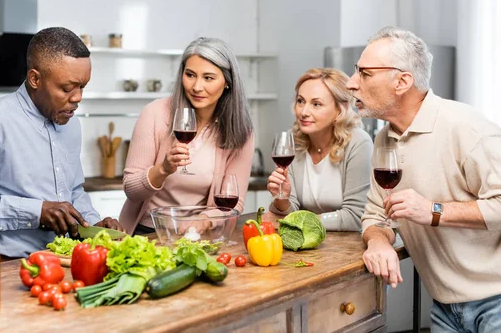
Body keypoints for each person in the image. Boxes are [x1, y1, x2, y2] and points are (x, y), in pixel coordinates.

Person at [348, 26, 501, 332]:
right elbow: (376, 214)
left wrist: (433, 210)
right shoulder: (384, 139)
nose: (352, 84)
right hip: (444, 308)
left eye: (364, 73)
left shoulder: (465, 127)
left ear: (402, 82)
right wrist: (378, 242)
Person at [0, 27, 122, 258]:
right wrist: (36, 212)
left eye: (82, 87)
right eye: (67, 88)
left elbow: (73, 191)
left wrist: (94, 224)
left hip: (66, 262)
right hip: (7, 265)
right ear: (35, 79)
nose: (78, 97)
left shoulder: (72, 125)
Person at [120, 37, 255, 235]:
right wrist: (163, 170)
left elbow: (233, 201)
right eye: (190, 75)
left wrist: (203, 221)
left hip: (199, 236)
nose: (197, 87)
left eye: (208, 78)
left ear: (227, 82)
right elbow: (131, 190)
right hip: (146, 233)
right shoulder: (155, 113)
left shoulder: (240, 129)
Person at [266, 68, 372, 231]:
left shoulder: (358, 143)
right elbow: (288, 211)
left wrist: (298, 222)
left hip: (350, 247)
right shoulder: (292, 141)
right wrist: (282, 200)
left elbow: (355, 216)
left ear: (339, 110)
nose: (304, 112)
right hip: (306, 244)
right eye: (300, 101)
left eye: (316, 104)